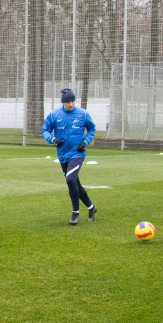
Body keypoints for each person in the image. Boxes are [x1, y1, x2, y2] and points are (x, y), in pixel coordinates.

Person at [41, 88, 98, 225]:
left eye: (72, 101)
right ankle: (91, 208)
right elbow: (45, 130)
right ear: (63, 102)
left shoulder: (83, 114)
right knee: (75, 183)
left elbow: (92, 129)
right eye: (68, 101)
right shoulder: (54, 115)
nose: (71, 104)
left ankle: (75, 212)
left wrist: (85, 142)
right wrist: (53, 140)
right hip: (63, 154)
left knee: (70, 180)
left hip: (78, 153)